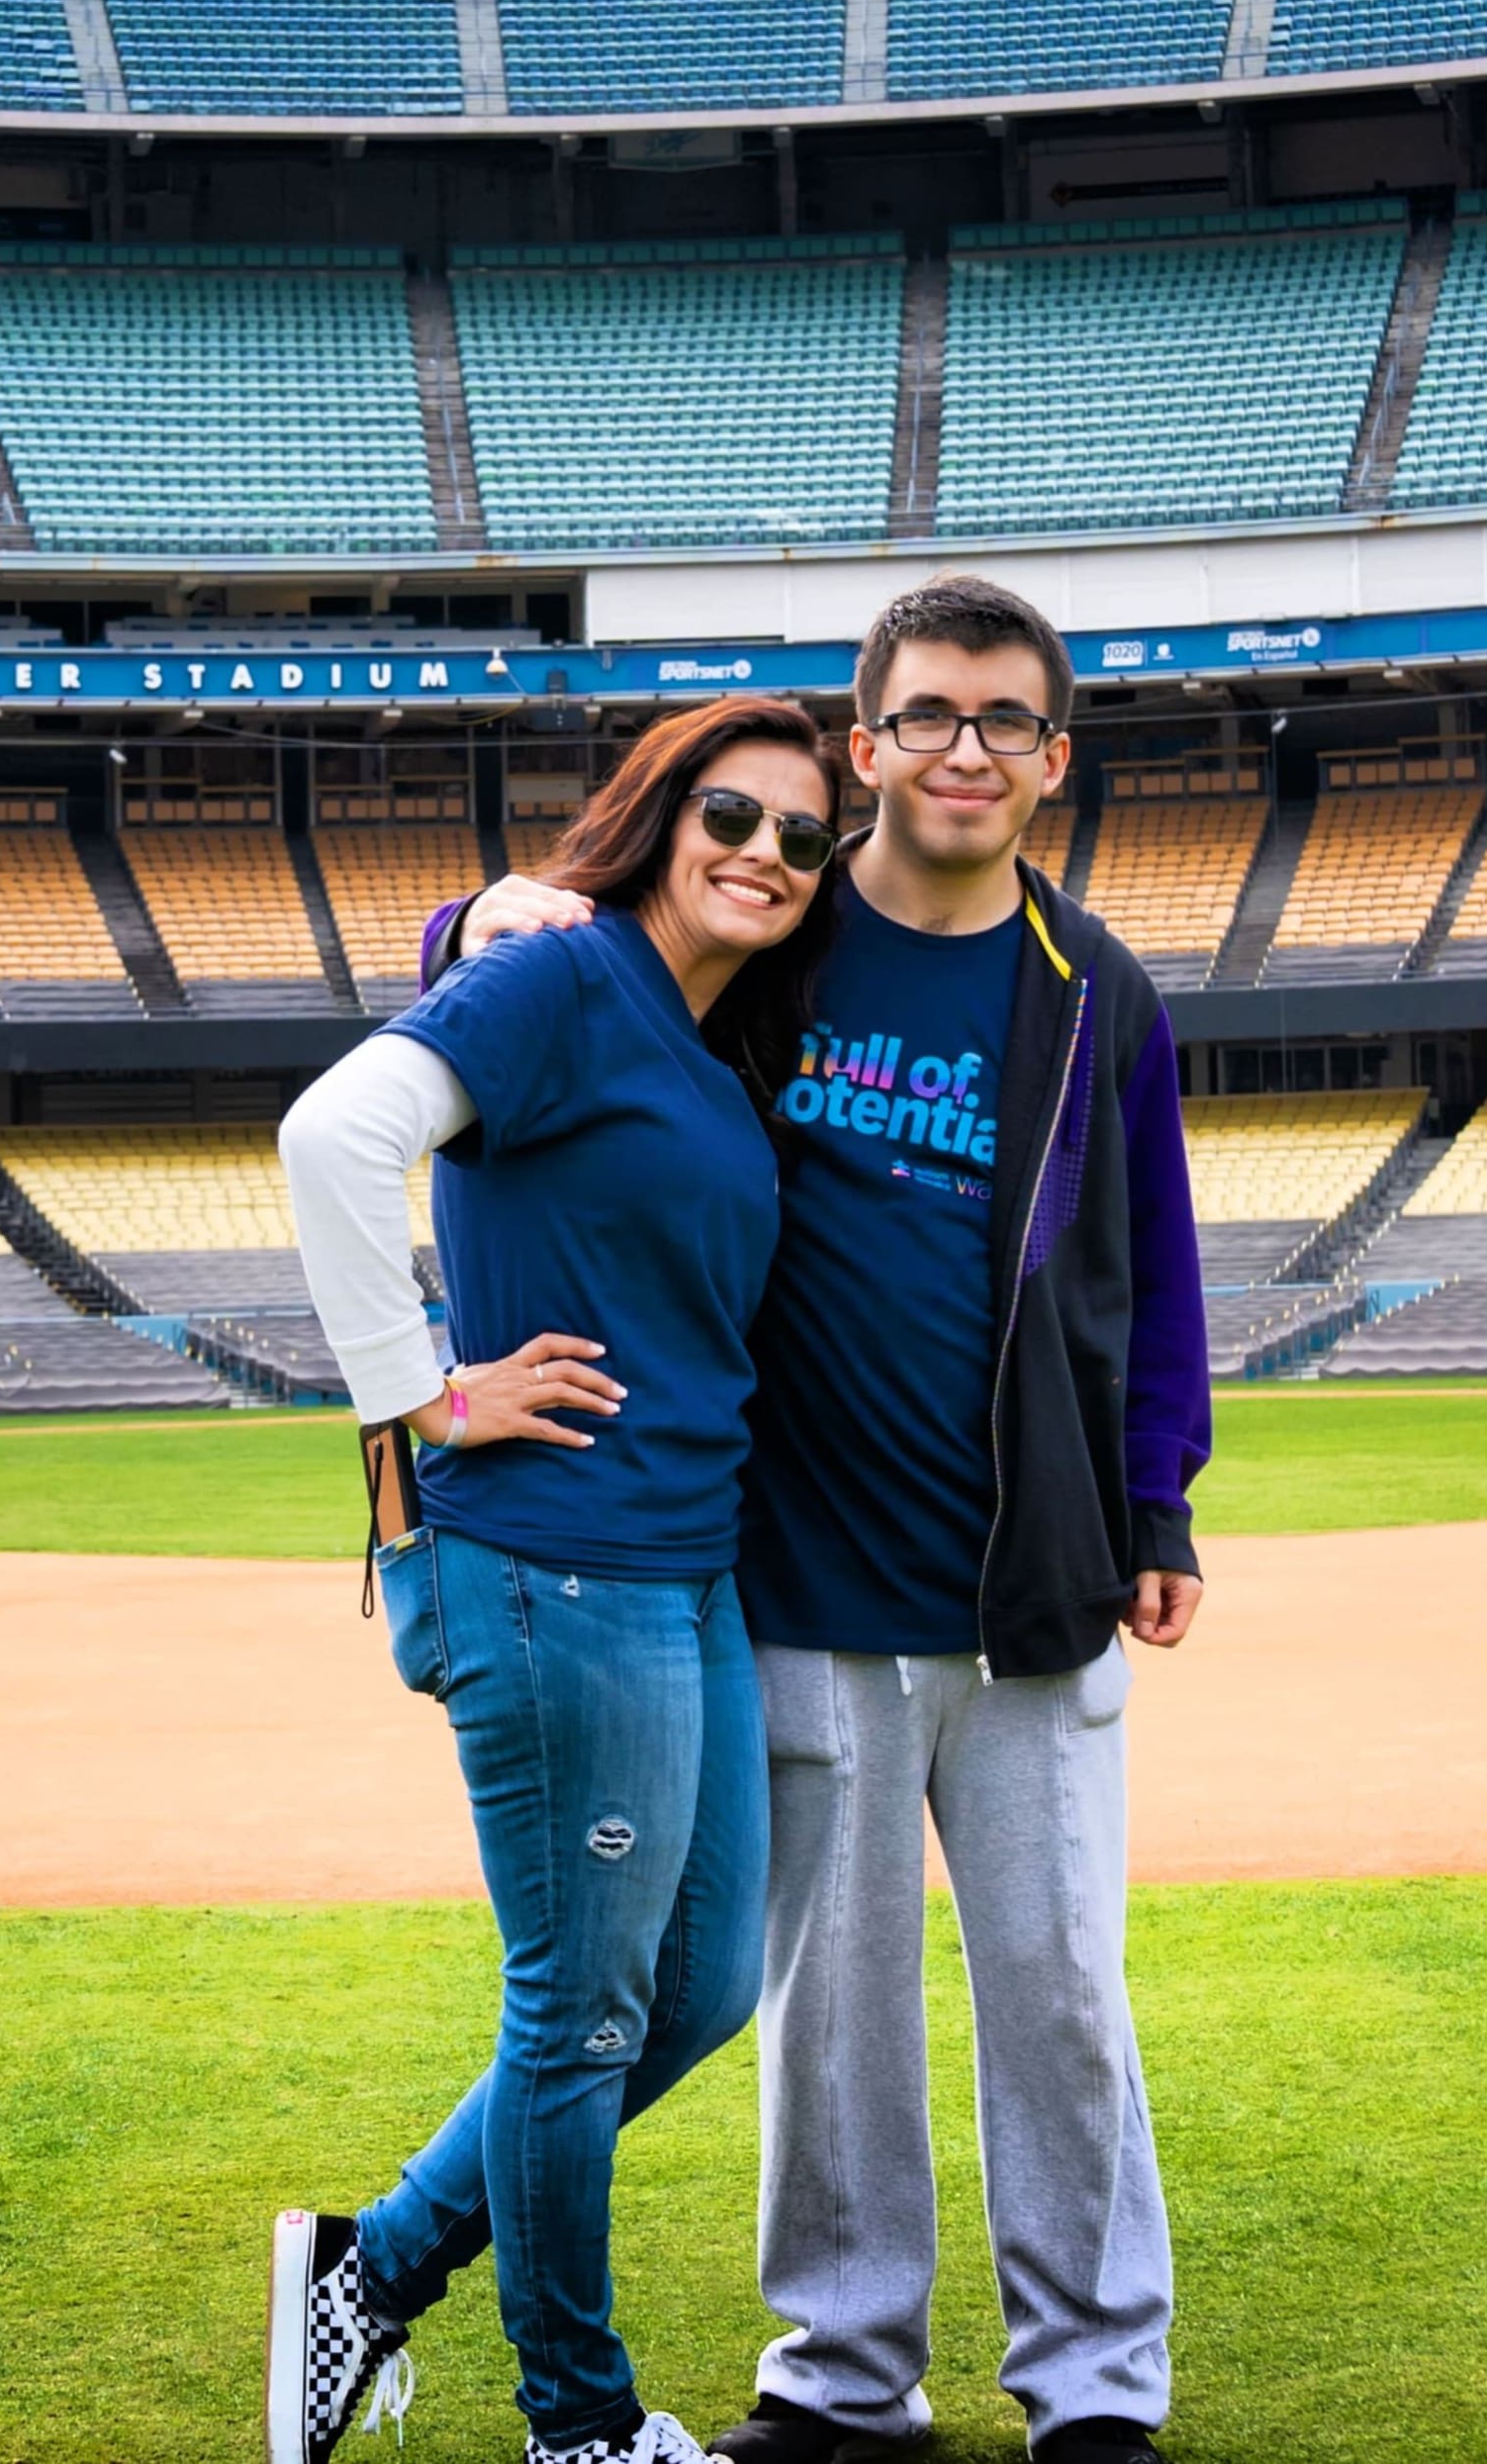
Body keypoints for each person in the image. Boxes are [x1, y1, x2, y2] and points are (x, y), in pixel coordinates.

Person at [431, 576, 1211, 2464]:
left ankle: (1092, 2387)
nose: (965, 749)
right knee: (827, 2025)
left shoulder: (1090, 988)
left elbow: (1154, 1261)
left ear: (1049, 758)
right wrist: (480, 909)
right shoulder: (766, 944)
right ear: (864, 744)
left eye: (1004, 720)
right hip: (797, 1576)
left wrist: (1158, 1490)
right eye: (928, 714)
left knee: (1063, 2008)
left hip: (1028, 1586)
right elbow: (558, 980)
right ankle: (848, 2379)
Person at [269, 697, 846, 2464]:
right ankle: (579, 2429)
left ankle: (368, 2267)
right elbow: (332, 1133)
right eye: (729, 814)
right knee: (577, 2006)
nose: (759, 852)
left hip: (687, 1575)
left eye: (798, 838)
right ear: (664, 814)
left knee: (691, 1992)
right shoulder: (571, 972)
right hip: (554, 1567)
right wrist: (423, 1392)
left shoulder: (703, 1032)